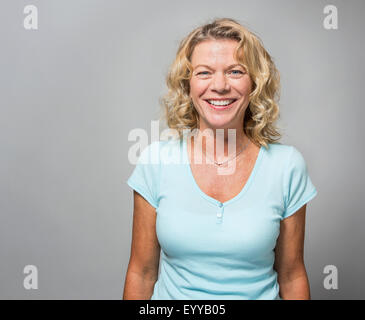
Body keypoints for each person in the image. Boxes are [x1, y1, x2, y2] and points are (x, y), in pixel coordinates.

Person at [123, 18, 318, 300]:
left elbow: (292, 275)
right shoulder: (156, 162)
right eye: (204, 73)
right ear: (187, 84)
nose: (220, 86)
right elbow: (141, 273)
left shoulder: (287, 166)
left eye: (235, 71)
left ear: (254, 84)